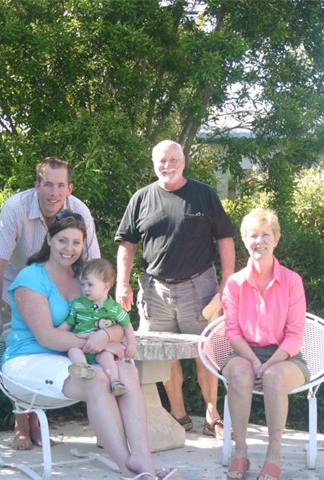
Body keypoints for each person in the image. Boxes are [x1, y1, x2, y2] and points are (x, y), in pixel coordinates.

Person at [1, 214, 175, 480]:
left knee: (127, 373)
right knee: (96, 380)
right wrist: (97, 340)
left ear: (83, 245)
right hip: (28, 361)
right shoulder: (31, 278)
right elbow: (47, 337)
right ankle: (130, 472)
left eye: (76, 242)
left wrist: (106, 335)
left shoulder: (84, 278)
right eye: (62, 240)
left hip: (71, 360)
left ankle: (145, 462)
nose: (68, 248)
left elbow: (114, 318)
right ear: (49, 239)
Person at [115, 139, 236, 439]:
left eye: (173, 159)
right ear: (154, 164)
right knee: (163, 354)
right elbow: (127, 244)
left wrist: (227, 284)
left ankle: (212, 417)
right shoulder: (141, 198)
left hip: (201, 289)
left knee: (205, 353)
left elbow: (225, 238)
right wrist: (122, 283)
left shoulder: (203, 195)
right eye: (161, 161)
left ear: (183, 161)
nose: (167, 166)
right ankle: (179, 415)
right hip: (155, 291)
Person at [0, 156, 100, 450]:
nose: (53, 192)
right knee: (21, 345)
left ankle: (39, 420)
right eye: (47, 184)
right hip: (18, 281)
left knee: (49, 346)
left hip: (58, 285)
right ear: (37, 185)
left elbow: (93, 266)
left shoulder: (79, 211)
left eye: (60, 185)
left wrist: (99, 312)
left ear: (69, 188)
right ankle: (23, 423)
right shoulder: (15, 208)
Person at [221, 208, 310, 480]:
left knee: (273, 377)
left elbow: (295, 334)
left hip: (286, 357)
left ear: (276, 239)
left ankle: (273, 457)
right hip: (245, 353)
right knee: (238, 372)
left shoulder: (292, 281)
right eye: (253, 235)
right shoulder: (235, 283)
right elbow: (232, 331)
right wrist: (255, 362)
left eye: (266, 235)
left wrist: (269, 364)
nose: (259, 241)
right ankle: (240, 453)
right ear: (245, 240)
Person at [59, 258, 137, 397]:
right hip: (81, 346)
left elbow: (127, 325)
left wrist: (131, 344)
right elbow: (68, 323)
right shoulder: (78, 304)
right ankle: (84, 368)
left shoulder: (114, 309)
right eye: (83, 284)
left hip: (103, 348)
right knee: (72, 350)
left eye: (90, 284)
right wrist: (56, 333)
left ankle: (115, 382)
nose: (85, 289)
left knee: (107, 358)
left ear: (106, 287)